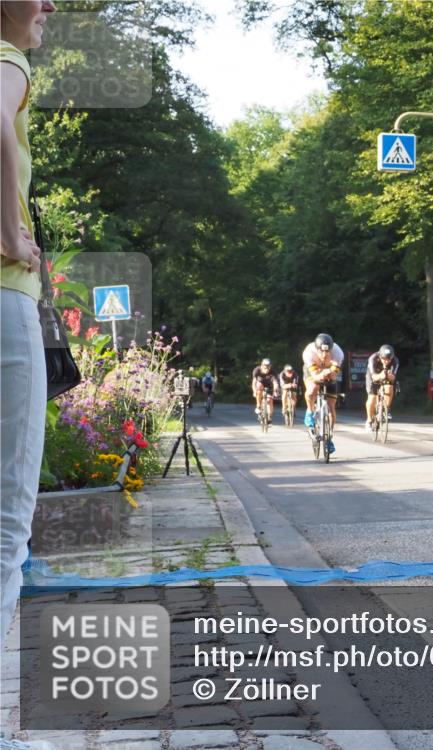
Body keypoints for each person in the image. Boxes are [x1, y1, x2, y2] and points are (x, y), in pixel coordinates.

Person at [1, 3, 59, 749]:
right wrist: (11, 228)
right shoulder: (7, 62)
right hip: (4, 299)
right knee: (9, 518)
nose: (50, 6)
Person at [302, 333, 343, 454]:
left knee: (331, 408)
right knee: (312, 389)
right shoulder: (308, 352)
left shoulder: (338, 353)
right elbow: (315, 376)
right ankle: (310, 411)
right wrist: (322, 373)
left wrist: (329, 372)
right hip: (313, 372)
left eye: (327, 352)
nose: (325, 355)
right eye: (321, 352)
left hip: (329, 372)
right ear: (316, 349)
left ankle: (329, 437)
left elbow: (334, 374)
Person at [365, 344, 399, 431]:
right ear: (380, 356)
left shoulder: (395, 361)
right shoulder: (372, 359)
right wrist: (381, 375)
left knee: (389, 387)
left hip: (386, 375)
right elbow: (374, 377)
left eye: (389, 359)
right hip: (373, 375)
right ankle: (369, 420)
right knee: (372, 398)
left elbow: (393, 377)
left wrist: (390, 376)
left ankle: (386, 409)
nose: (386, 361)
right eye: (384, 359)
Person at [250, 358, 279, 424]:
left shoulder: (273, 371)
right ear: (262, 366)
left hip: (269, 386)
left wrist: (275, 391)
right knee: (259, 385)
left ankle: (269, 417)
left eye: (268, 366)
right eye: (265, 366)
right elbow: (254, 382)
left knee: (270, 401)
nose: (267, 368)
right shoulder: (257, 370)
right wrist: (254, 391)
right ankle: (258, 405)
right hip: (260, 385)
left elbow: (275, 383)